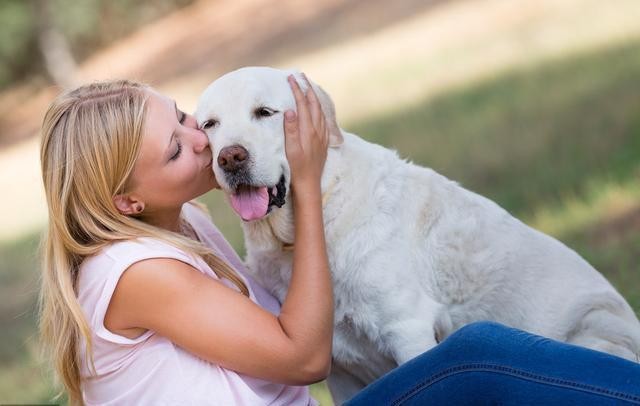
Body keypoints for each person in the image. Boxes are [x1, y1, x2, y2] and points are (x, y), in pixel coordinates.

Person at [39, 77, 640, 406]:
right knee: (475, 355)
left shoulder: (187, 223)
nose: (205, 144)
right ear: (127, 202)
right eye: (175, 149)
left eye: (184, 118)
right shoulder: (135, 272)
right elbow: (305, 356)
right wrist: (305, 186)